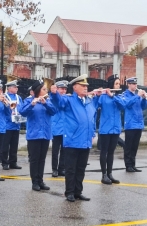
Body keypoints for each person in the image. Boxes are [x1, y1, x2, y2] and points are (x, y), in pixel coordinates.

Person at [50, 74, 97, 202]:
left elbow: (92, 119)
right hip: (72, 140)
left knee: (81, 169)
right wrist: (54, 94)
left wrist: (92, 133)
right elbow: (58, 102)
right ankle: (69, 192)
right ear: (75, 87)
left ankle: (78, 192)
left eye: (86, 86)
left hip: (85, 140)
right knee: (71, 169)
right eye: (82, 86)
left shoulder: (89, 101)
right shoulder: (69, 100)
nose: (85, 88)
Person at [20, 79, 56, 191]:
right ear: (38, 91)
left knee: (42, 159)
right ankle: (34, 182)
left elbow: (54, 111)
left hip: (45, 134)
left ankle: (40, 181)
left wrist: (46, 104)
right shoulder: (29, 100)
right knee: (34, 159)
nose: (46, 91)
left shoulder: (48, 100)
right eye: (44, 89)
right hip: (34, 135)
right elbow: (22, 112)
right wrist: (32, 104)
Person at [98, 74, 125, 185]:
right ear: (111, 84)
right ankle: (104, 175)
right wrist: (98, 94)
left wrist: (113, 96)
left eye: (119, 83)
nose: (119, 85)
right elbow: (95, 105)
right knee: (104, 152)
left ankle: (110, 174)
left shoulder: (119, 97)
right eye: (116, 83)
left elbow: (123, 106)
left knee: (111, 152)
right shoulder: (103, 97)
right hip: (105, 129)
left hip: (115, 128)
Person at [122, 77, 147, 172]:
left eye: (136, 84)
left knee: (135, 146)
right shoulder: (125, 94)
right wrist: (138, 96)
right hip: (130, 124)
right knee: (128, 146)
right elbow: (127, 104)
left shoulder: (137, 95)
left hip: (139, 123)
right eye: (133, 84)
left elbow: (143, 106)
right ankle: (128, 165)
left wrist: (144, 99)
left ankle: (133, 164)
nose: (135, 85)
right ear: (128, 84)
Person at [1, 80, 23, 170]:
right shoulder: (4, 97)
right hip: (7, 124)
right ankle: (4, 162)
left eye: (16, 87)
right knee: (5, 146)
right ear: (9, 88)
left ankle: (13, 162)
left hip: (16, 125)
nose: (17, 88)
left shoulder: (19, 97)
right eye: (15, 87)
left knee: (14, 145)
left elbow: (21, 108)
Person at [50, 80, 68, 177]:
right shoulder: (54, 97)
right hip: (56, 128)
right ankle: (54, 169)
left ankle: (61, 168)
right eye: (61, 89)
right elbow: (56, 100)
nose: (63, 91)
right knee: (55, 151)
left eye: (65, 89)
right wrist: (55, 93)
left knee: (64, 151)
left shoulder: (66, 98)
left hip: (64, 128)